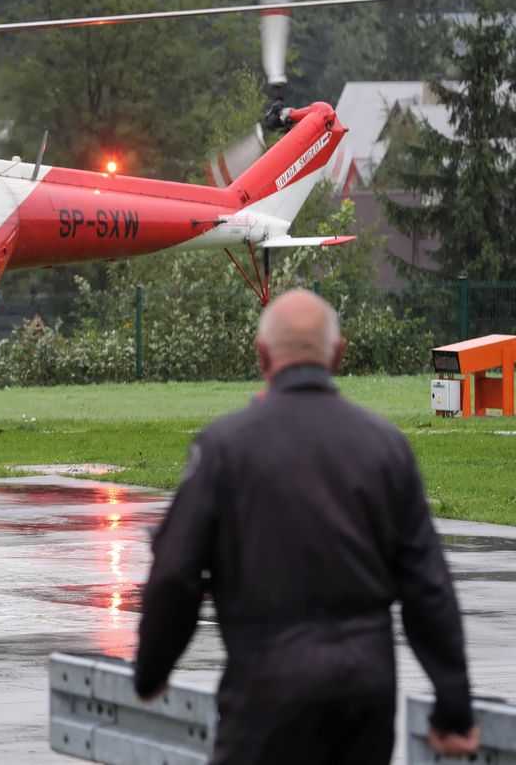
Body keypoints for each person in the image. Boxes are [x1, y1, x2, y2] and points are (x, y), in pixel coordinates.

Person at [133, 289, 478, 763]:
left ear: (261, 355)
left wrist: (152, 671)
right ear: (338, 354)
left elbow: (175, 573)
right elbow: (428, 586)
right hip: (364, 696)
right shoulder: (386, 448)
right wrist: (453, 705)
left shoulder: (224, 449)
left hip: (265, 693)